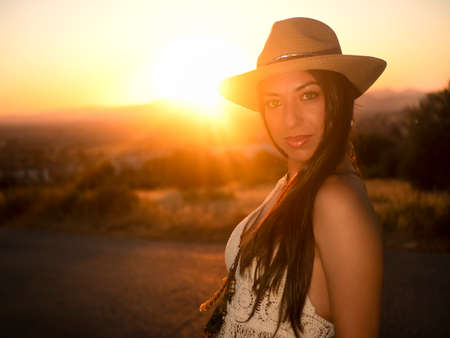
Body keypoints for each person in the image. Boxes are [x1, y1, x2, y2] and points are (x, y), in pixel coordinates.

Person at [200, 17, 386, 338]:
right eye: (274, 102)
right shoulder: (290, 185)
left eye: (308, 95)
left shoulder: (335, 201)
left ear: (339, 98)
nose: (290, 120)